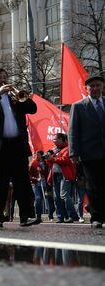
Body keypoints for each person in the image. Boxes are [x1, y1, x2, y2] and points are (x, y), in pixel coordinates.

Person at [0, 68, 39, 227]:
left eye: (5, 77)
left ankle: (26, 216)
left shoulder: (14, 97)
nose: (3, 81)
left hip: (17, 145)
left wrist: (19, 94)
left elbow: (33, 109)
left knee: (22, 182)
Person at [69, 75, 105, 229]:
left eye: (98, 85)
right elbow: (72, 131)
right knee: (92, 186)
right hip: (88, 153)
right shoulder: (78, 106)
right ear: (86, 89)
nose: (95, 88)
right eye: (92, 86)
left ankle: (97, 210)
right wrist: (73, 153)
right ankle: (96, 217)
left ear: (103, 87)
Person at [45, 133, 79, 223]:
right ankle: (60, 217)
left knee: (64, 195)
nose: (53, 141)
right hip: (55, 175)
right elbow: (49, 163)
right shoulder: (55, 150)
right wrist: (48, 158)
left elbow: (66, 160)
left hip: (64, 175)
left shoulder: (68, 149)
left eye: (55, 139)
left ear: (61, 140)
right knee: (57, 197)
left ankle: (72, 215)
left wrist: (53, 159)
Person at [29, 150, 55, 222]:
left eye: (38, 155)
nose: (36, 156)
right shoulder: (33, 163)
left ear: (41, 155)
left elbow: (47, 172)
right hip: (36, 184)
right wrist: (35, 178)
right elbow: (29, 174)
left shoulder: (46, 162)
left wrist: (41, 171)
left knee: (48, 199)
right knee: (38, 199)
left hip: (45, 184)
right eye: (36, 155)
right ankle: (38, 216)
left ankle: (50, 216)